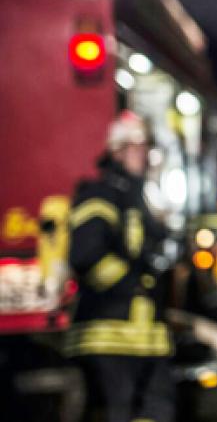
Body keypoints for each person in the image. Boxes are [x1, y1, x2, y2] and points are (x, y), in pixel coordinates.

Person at [67, 111, 175, 422]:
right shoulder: (99, 196)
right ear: (118, 150)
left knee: (159, 410)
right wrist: (134, 285)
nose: (146, 156)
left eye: (147, 148)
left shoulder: (138, 200)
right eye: (139, 148)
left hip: (147, 340)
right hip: (107, 338)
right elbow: (86, 255)